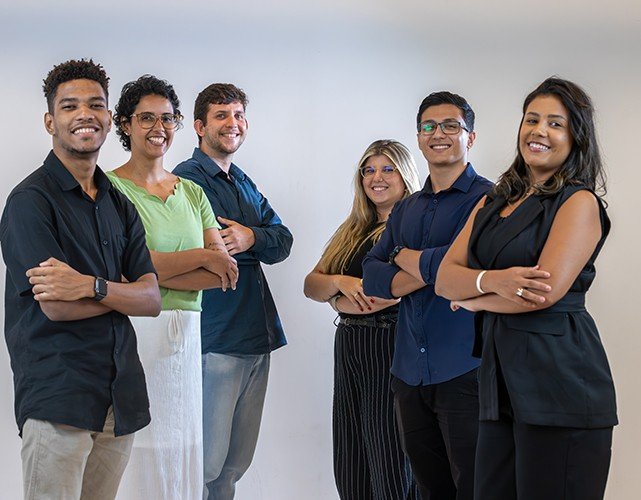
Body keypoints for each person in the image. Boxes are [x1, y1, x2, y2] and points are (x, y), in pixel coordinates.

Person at [435, 77, 617, 500]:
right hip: (499, 387)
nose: (539, 131)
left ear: (576, 138)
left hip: (561, 386)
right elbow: (444, 278)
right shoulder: (494, 201)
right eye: (532, 119)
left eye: (556, 123)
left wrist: (472, 300)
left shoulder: (578, 202)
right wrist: (493, 282)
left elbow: (541, 293)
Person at [0, 59, 161, 500]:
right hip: (59, 397)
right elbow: (55, 305)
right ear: (50, 121)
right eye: (70, 106)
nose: (85, 114)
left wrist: (92, 286)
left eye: (96, 104)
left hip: (119, 395)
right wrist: (122, 293)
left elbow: (151, 299)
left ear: (109, 117)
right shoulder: (29, 202)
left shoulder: (119, 203)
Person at [106, 75, 238, 500]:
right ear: (125, 124)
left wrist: (153, 270)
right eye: (146, 118)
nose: (158, 127)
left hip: (187, 338)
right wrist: (201, 255)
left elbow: (223, 273)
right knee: (137, 454)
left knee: (183, 449)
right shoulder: (109, 190)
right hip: (135, 332)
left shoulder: (193, 192)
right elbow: (122, 274)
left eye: (167, 118)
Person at [362, 92, 493, 500]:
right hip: (409, 373)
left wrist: (401, 255)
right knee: (428, 489)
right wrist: (437, 267)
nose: (438, 134)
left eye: (451, 126)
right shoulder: (407, 208)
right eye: (428, 127)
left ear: (470, 137)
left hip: (466, 369)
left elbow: (469, 269)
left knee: (476, 487)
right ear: (418, 137)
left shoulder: (490, 201)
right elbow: (371, 276)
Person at [173, 83, 293, 499]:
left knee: (233, 466)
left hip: (258, 337)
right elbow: (209, 251)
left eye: (239, 115)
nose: (233, 123)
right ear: (199, 126)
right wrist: (251, 239)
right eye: (221, 115)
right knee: (204, 465)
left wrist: (250, 237)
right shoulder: (187, 181)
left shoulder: (242, 180)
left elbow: (283, 241)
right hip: (218, 339)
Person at [304, 139, 421, 499]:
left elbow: (391, 293)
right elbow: (311, 284)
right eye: (369, 170)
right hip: (351, 345)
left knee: (389, 452)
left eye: (387, 169)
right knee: (351, 452)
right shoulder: (353, 229)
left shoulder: (413, 226)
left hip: (390, 344)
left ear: (405, 175)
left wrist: (338, 301)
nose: (376, 177)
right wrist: (340, 283)